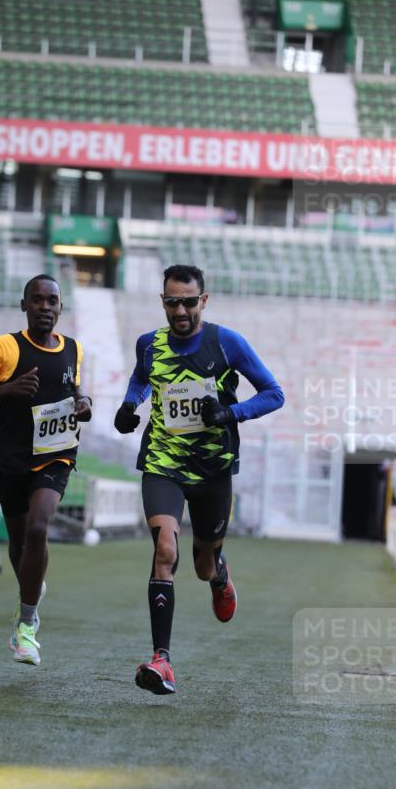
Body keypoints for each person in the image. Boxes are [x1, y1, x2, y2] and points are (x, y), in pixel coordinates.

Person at [114, 264, 284, 696]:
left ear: (203, 301)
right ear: (163, 302)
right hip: (162, 463)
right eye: (172, 302)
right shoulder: (149, 344)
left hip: (213, 469)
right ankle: (162, 661)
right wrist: (130, 404)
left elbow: (273, 393)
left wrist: (229, 412)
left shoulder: (226, 343)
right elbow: (140, 376)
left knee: (202, 563)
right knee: (165, 549)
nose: (181, 310)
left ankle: (219, 575)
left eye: (189, 302)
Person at [0, 274, 92, 665]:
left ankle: (27, 626)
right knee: (20, 544)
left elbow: (75, 389)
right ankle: (31, 589)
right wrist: (7, 390)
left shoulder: (73, 349)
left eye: (52, 301)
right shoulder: (4, 347)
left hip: (56, 456)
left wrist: (83, 402)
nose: (45, 308)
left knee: (39, 527)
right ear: (24, 305)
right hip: (15, 459)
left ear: (61, 307)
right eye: (37, 300)